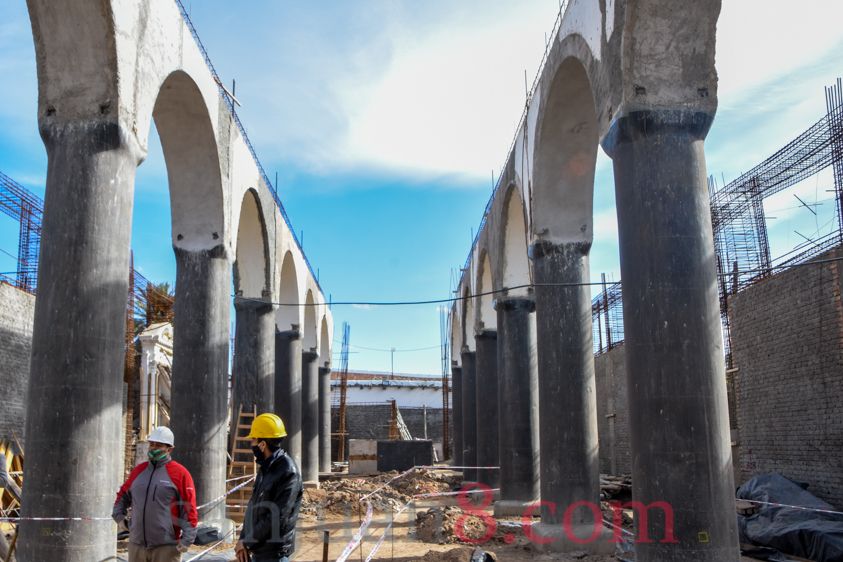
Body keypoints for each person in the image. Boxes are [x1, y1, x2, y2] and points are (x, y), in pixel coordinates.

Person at [113, 426, 199, 561]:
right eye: (151, 444)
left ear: (169, 449)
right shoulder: (138, 471)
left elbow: (188, 508)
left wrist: (188, 539)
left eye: (158, 445)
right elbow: (122, 496)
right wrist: (120, 519)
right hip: (137, 546)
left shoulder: (180, 474)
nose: (153, 448)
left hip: (166, 548)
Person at [235, 413, 303, 562]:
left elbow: (276, 516)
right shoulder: (265, 469)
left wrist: (247, 541)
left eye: (253, 439)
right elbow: (253, 507)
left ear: (263, 444)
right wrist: (243, 540)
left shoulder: (288, 472)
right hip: (259, 550)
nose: (251, 444)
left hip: (274, 554)